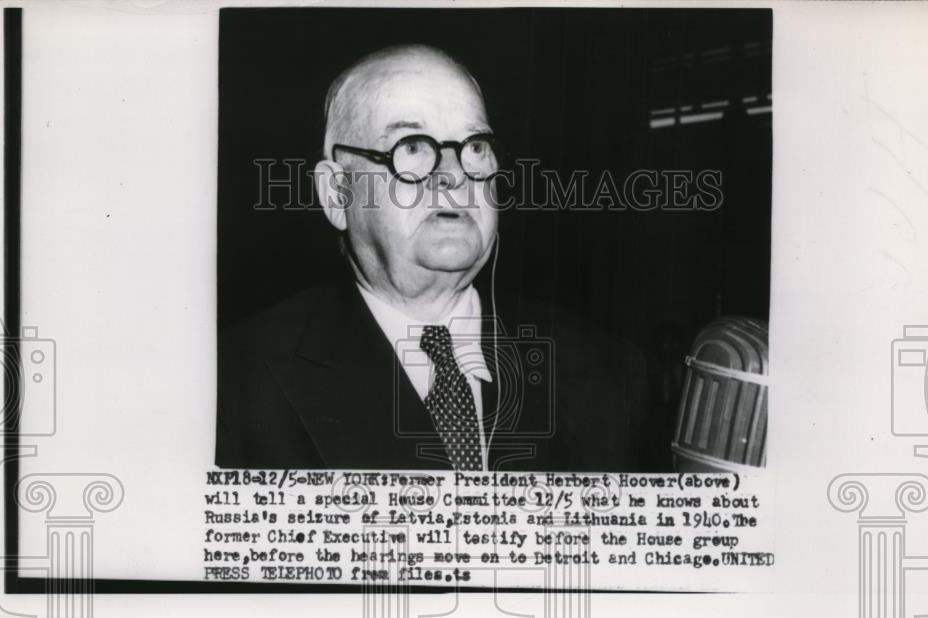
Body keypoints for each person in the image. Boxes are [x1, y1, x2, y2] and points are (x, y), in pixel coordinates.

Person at [216, 44, 651, 472]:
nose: (455, 175)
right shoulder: (234, 380)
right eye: (411, 147)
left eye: (476, 146)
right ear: (337, 193)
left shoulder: (608, 373)